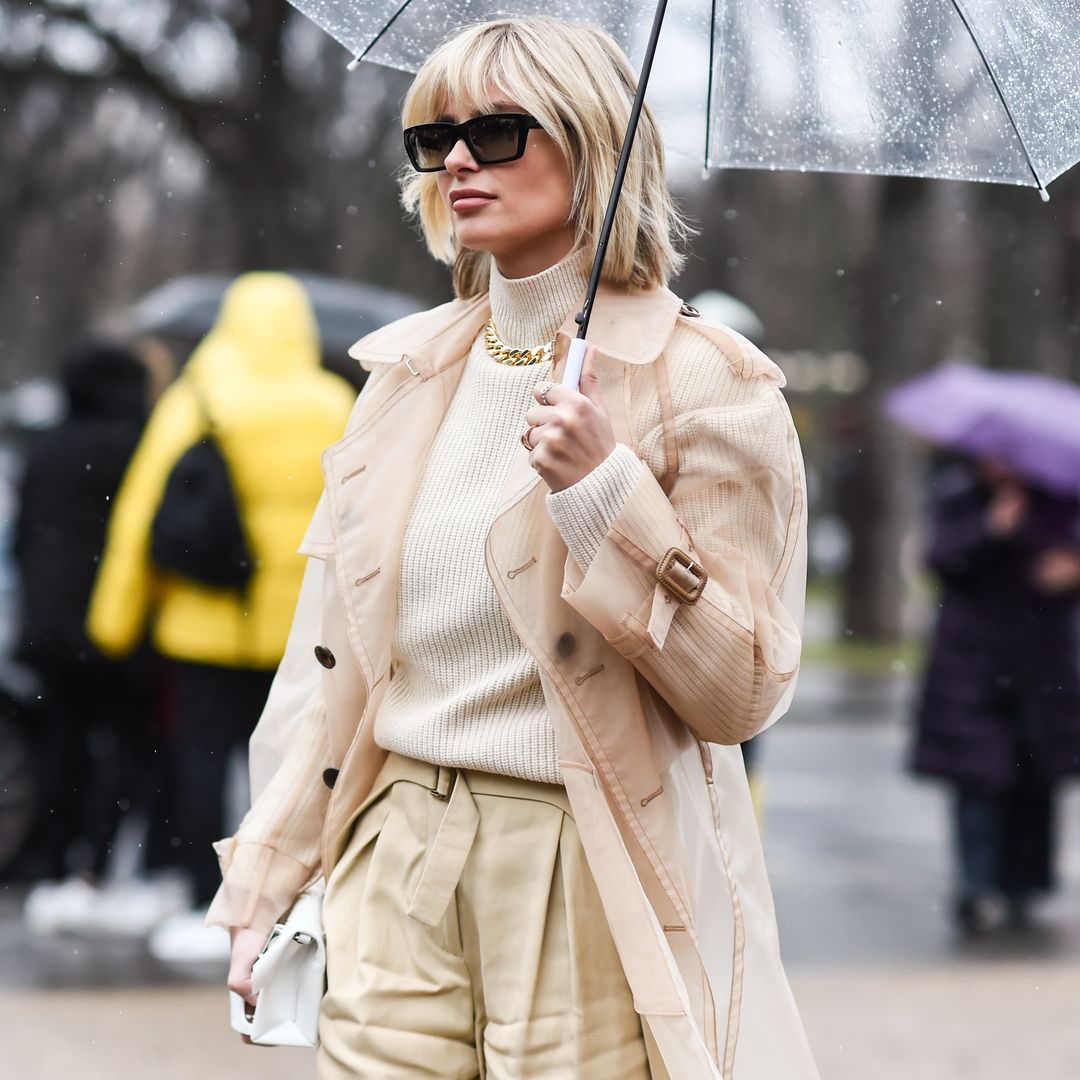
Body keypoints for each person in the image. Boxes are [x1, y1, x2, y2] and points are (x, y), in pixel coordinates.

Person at [213, 19, 816, 1078]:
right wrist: (268, 871)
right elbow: (332, 661)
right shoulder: (405, 375)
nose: (456, 161)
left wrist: (607, 492)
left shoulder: (707, 382)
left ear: (590, 144)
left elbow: (743, 691)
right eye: (434, 136)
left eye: (496, 131)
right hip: (391, 835)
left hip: (575, 851)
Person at [87, 275, 355, 956]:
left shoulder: (196, 399)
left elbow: (140, 518)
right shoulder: (334, 403)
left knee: (200, 762)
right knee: (293, 767)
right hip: (300, 631)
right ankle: (287, 896)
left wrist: (114, 624)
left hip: (205, 626)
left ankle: (203, 891)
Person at [14, 343, 183, 933]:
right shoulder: (141, 442)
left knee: (59, 744)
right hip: (117, 625)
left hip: (48, 626)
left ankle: (54, 860)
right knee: (128, 747)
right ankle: (97, 861)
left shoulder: (48, 444)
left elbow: (24, 535)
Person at [912, 455, 1080, 935]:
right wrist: (990, 529)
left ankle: (1024, 885)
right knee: (979, 778)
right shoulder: (958, 496)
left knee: (1036, 777)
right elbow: (941, 560)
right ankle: (977, 886)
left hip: (1043, 666)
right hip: (972, 665)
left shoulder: (1058, 499)